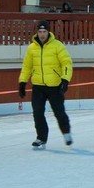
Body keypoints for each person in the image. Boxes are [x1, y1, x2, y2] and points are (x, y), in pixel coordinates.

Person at [18, 20, 73, 149]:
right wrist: (22, 82)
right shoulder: (32, 48)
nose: (42, 34)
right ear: (37, 32)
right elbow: (27, 66)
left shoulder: (57, 46)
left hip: (54, 86)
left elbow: (66, 63)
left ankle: (66, 132)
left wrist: (65, 80)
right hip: (38, 86)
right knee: (37, 112)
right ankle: (41, 138)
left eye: (44, 32)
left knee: (59, 112)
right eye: (40, 32)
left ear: (49, 32)